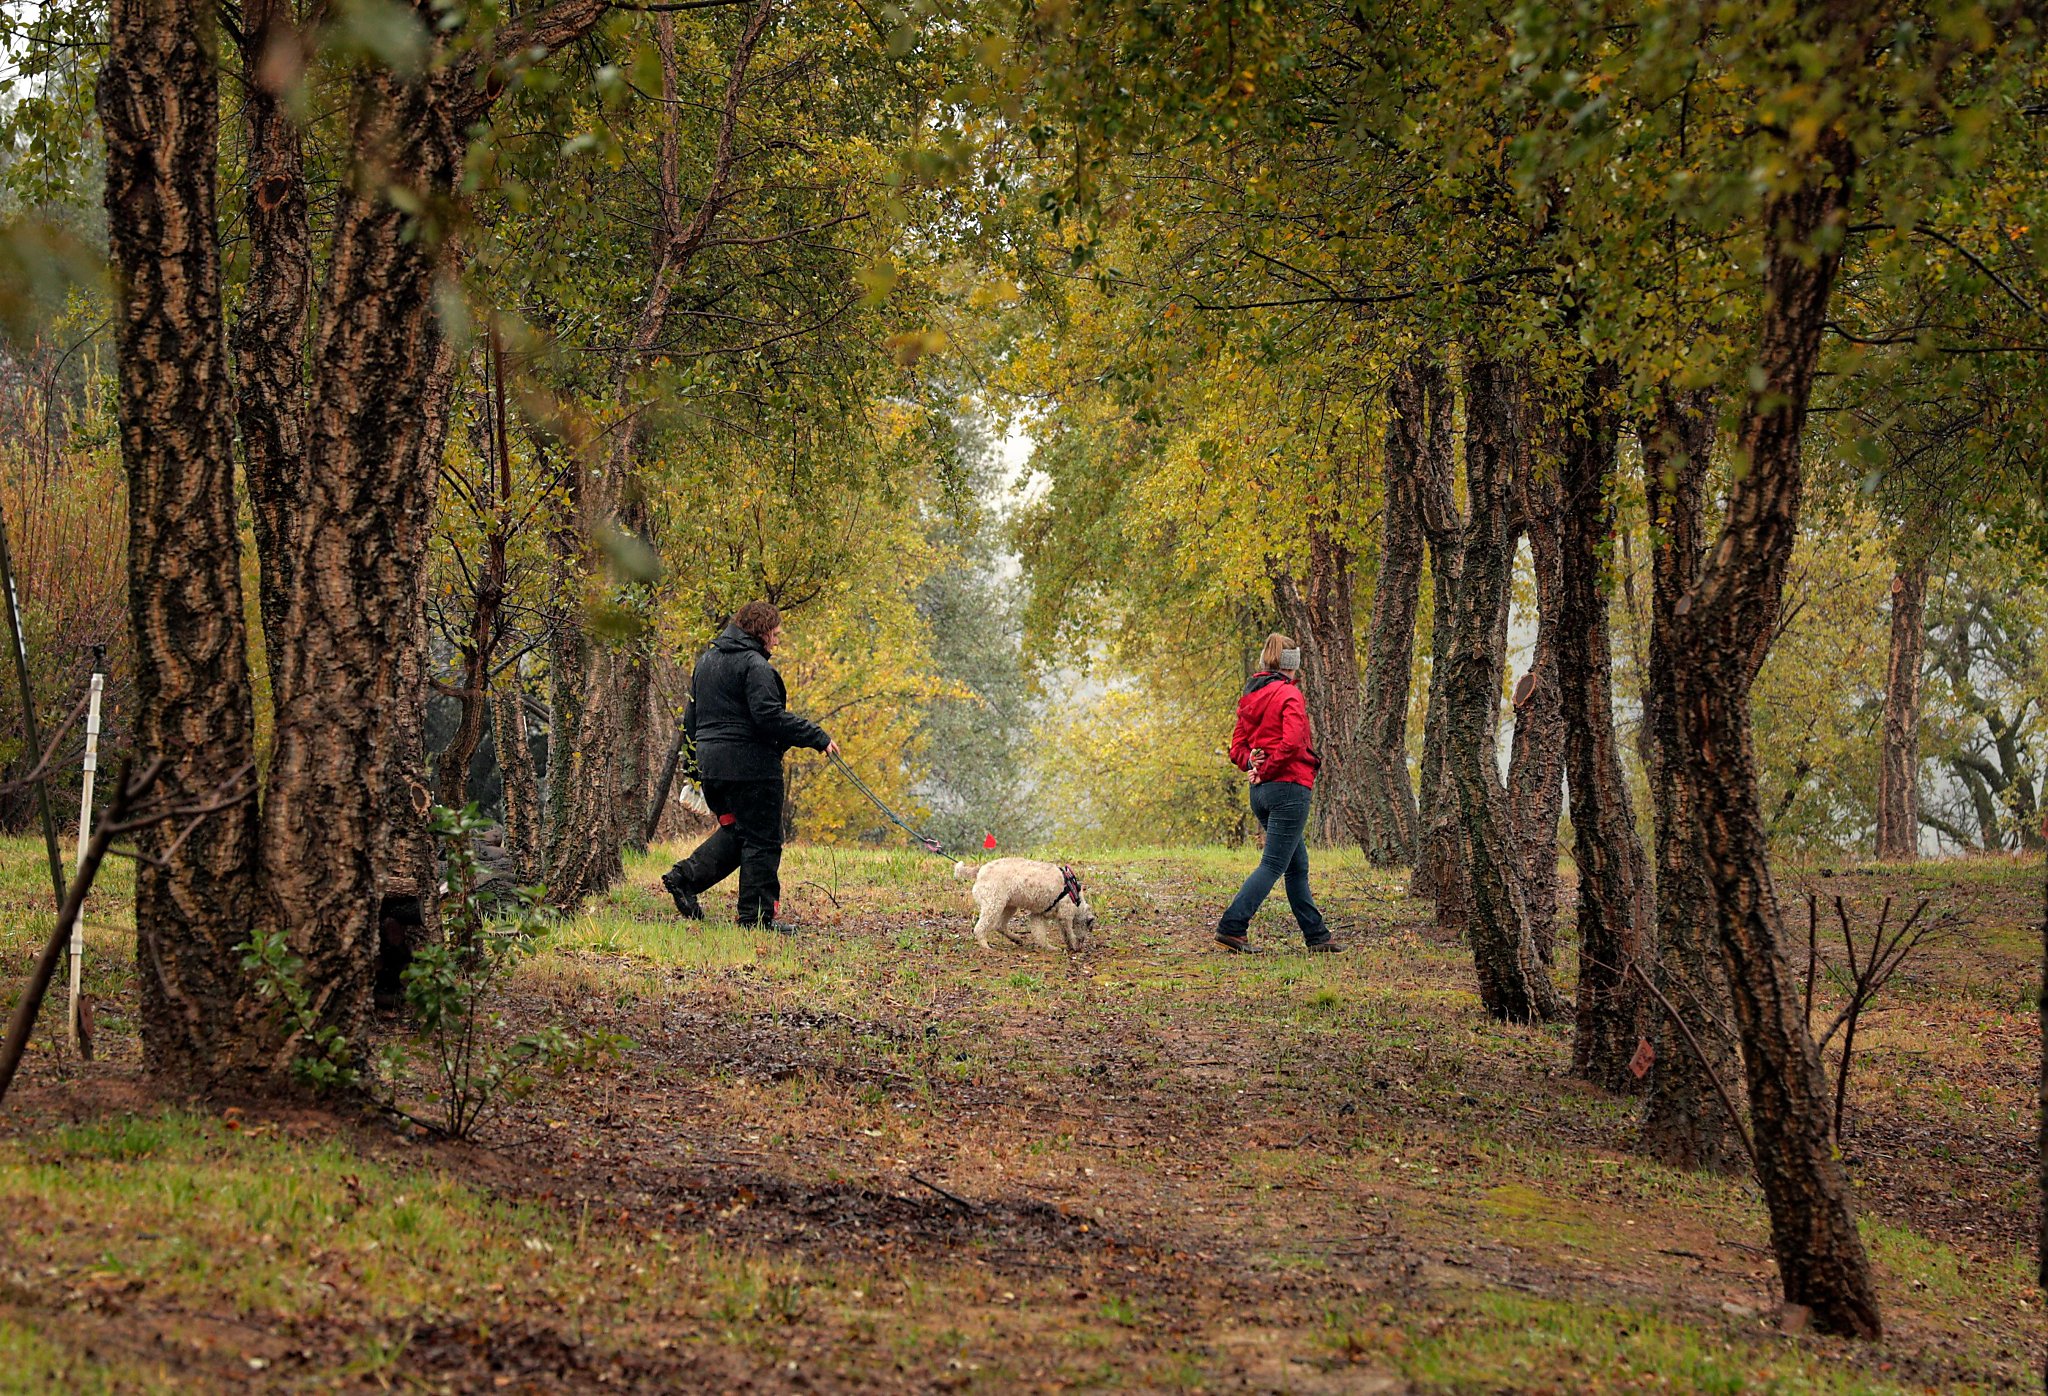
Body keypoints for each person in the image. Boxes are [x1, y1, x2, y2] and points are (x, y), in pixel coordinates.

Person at [661, 601, 838, 933]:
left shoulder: (706, 661)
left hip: (713, 768)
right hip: (751, 769)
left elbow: (690, 719)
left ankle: (684, 878)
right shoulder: (755, 666)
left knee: (739, 832)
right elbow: (768, 716)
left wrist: (694, 767)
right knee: (763, 840)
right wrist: (817, 736)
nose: (777, 641)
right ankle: (756, 919)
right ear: (763, 632)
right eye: (776, 634)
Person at [1214, 633, 1342, 954]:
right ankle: (1232, 926)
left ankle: (1317, 936)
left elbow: (1237, 748)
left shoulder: (1251, 696)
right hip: (1288, 788)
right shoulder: (1289, 695)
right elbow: (1295, 742)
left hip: (1260, 793)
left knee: (1296, 865)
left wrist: (1251, 763)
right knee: (1273, 864)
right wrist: (1267, 767)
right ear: (1291, 665)